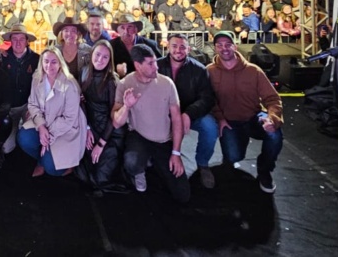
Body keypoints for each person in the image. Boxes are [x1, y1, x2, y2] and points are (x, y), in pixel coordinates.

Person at [208, 30, 284, 193]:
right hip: (228, 122)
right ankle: (230, 158)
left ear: (235, 46)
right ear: (215, 48)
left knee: (275, 135)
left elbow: (272, 98)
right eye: (219, 45)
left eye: (228, 44)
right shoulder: (209, 71)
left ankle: (264, 170)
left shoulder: (253, 71)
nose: (224, 48)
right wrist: (220, 118)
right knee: (234, 157)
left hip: (253, 117)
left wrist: (272, 118)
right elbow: (208, 100)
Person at [113, 45, 190, 203]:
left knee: (183, 195)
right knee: (132, 164)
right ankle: (140, 170)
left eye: (155, 62)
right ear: (137, 65)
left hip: (163, 140)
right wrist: (127, 106)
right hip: (139, 136)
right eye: (150, 63)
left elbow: (176, 119)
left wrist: (176, 153)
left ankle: (153, 161)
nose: (156, 66)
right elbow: (116, 123)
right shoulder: (125, 84)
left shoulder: (167, 83)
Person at [158, 33, 219, 189]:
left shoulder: (199, 70)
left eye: (182, 47)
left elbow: (207, 98)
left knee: (210, 127)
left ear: (188, 49)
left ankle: (203, 164)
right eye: (174, 46)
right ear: (167, 46)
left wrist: (188, 114)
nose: (178, 50)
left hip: (191, 113)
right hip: (164, 114)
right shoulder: (156, 66)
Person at [19, 47, 86, 177]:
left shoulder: (70, 84)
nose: (49, 65)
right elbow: (32, 104)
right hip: (44, 123)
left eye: (54, 62)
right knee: (24, 138)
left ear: (60, 63)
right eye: (46, 61)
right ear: (42, 62)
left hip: (64, 129)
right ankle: (41, 160)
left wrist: (48, 135)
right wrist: (41, 126)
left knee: (52, 168)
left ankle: (65, 166)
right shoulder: (37, 78)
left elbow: (69, 119)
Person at [77, 40, 125, 194]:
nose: (100, 59)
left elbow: (114, 114)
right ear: (92, 55)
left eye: (105, 57)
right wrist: (87, 128)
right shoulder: (84, 72)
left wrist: (101, 143)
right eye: (97, 54)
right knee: (83, 174)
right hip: (91, 124)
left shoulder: (112, 81)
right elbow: (81, 102)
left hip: (109, 131)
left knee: (100, 179)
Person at [0, 24, 40, 155]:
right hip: (9, 108)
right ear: (10, 40)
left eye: (21, 39)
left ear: (27, 41)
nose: (18, 42)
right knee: (6, 148)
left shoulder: (37, 59)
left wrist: (34, 108)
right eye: (14, 39)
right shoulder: (1, 58)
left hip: (28, 106)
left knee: (33, 136)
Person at [110, 14, 159, 79]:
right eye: (122, 27)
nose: (126, 31)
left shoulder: (149, 45)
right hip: (122, 85)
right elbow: (104, 68)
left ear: (135, 29)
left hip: (146, 84)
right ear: (117, 30)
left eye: (129, 27)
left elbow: (160, 65)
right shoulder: (111, 46)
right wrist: (115, 70)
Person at [53, 17, 89, 82]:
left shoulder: (87, 50)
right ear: (62, 34)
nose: (69, 34)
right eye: (66, 31)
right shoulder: (55, 51)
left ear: (78, 34)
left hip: (81, 90)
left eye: (73, 31)